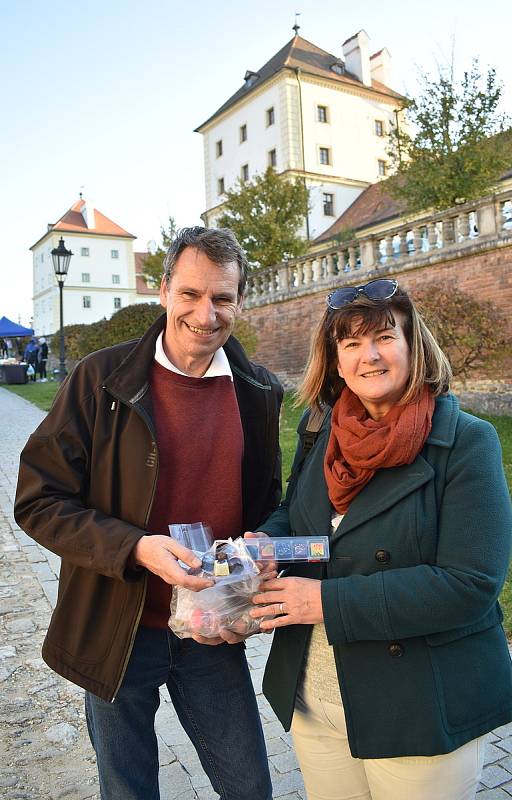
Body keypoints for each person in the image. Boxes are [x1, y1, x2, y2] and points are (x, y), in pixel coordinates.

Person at [15, 226, 283, 800]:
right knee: (128, 789)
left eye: (222, 298)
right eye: (190, 294)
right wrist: (136, 547)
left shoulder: (257, 391)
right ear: (163, 292)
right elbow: (38, 500)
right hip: (116, 623)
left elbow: (266, 509)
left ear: (240, 301)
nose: (205, 314)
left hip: (211, 629)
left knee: (250, 786)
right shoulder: (99, 380)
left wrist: (256, 567)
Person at [249, 279, 512, 800]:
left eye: (384, 337)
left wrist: (322, 601)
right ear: (336, 361)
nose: (369, 356)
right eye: (350, 344)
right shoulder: (321, 427)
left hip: (415, 706)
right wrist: (268, 545)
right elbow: (300, 519)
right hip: (316, 697)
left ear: (413, 344)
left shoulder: (465, 442)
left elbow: (468, 584)